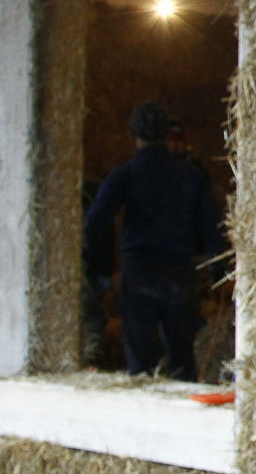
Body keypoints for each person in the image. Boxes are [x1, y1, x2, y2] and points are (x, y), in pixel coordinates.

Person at [84, 101, 225, 381]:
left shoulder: (124, 175)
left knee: (141, 365)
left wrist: (91, 267)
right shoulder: (191, 177)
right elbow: (212, 229)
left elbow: (95, 223)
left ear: (132, 135)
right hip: (178, 276)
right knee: (182, 359)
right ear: (165, 134)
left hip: (139, 274)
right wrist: (217, 272)